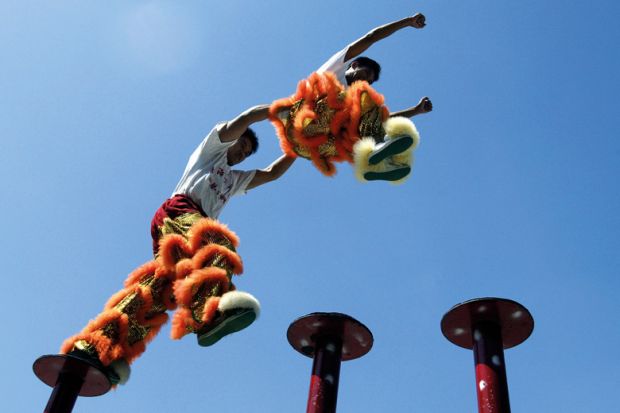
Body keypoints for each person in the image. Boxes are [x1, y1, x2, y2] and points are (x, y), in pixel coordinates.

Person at [60, 106, 295, 386]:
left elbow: (272, 173)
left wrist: (297, 146)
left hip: (185, 235)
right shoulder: (212, 151)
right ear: (233, 140)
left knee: (155, 292)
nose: (242, 155)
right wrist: (280, 111)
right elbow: (245, 119)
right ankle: (206, 316)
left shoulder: (234, 180)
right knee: (217, 248)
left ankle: (100, 349)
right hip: (180, 214)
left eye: (246, 154)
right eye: (242, 147)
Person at [317, 13, 433, 181]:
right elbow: (372, 37)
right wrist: (407, 22)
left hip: (322, 140)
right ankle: (376, 154)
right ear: (354, 65)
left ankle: (378, 163)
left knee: (368, 123)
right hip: (310, 110)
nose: (365, 82)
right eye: (365, 75)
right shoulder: (337, 68)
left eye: (369, 82)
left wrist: (416, 110)